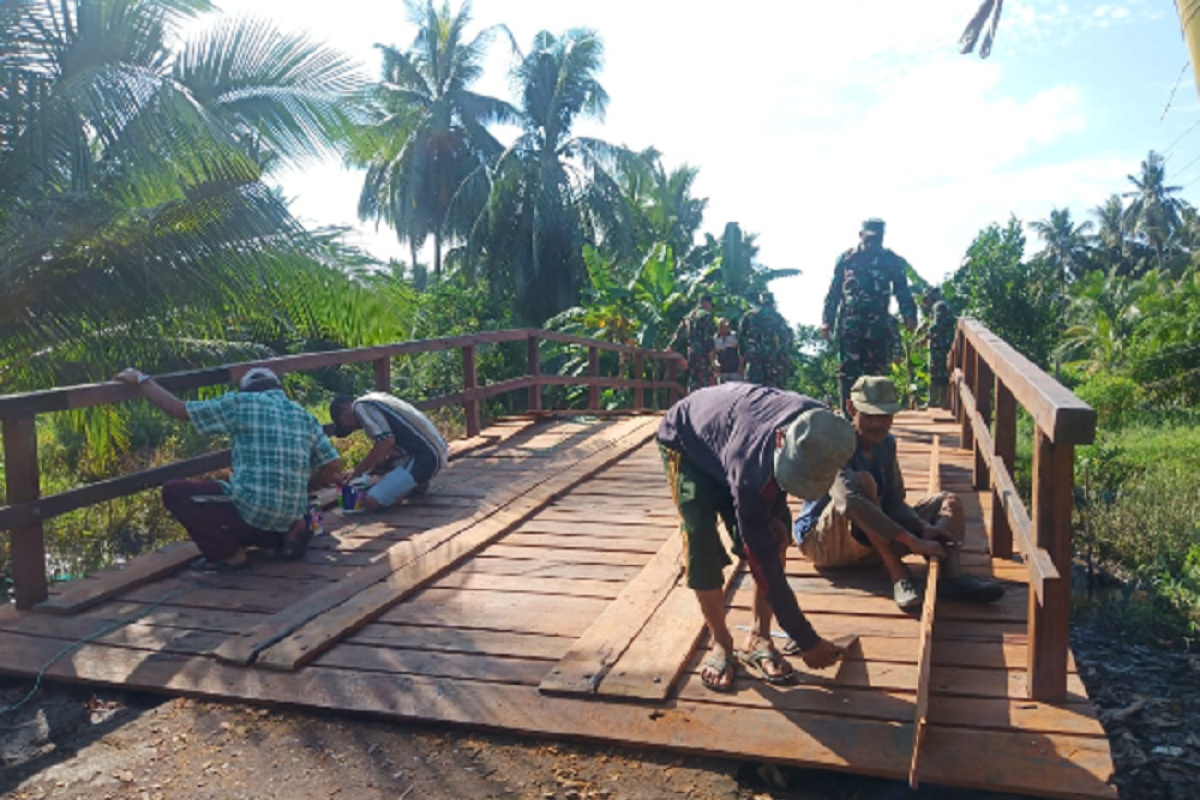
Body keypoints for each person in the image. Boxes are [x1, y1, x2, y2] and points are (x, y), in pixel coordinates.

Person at [657, 382, 857, 692]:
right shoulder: (751, 464)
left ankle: (759, 637)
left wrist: (775, 514)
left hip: (737, 440)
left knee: (778, 535)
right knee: (700, 540)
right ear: (781, 441)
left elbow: (777, 479)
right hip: (689, 443)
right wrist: (806, 639)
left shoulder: (820, 427)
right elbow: (761, 560)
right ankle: (721, 642)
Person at [793, 376, 1005, 611]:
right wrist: (911, 539)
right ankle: (898, 575)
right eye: (870, 415)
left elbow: (894, 502)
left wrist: (921, 526)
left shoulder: (886, 443)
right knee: (863, 484)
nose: (878, 424)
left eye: (885, 416)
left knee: (950, 502)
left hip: (866, 542)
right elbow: (850, 502)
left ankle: (951, 576)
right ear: (851, 408)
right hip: (824, 544)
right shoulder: (834, 444)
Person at [114, 366, 342, 571]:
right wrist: (306, 488)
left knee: (174, 492)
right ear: (277, 388)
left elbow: (179, 410)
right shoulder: (303, 415)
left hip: (251, 513)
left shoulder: (240, 404)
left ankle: (230, 555)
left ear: (246, 389)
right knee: (282, 510)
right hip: (285, 519)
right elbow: (332, 465)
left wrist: (143, 380)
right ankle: (292, 532)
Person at [821, 218, 918, 411]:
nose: (873, 243)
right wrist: (827, 321)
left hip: (877, 327)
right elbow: (834, 293)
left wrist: (909, 313)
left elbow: (902, 289)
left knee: (875, 373)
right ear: (861, 235)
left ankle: (873, 419)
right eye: (870, 238)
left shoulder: (891, 260)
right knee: (848, 372)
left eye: (878, 239)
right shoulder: (847, 259)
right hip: (850, 326)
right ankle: (848, 421)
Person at [329, 391, 450, 511]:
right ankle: (416, 484)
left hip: (425, 456)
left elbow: (386, 442)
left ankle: (406, 488)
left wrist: (358, 472)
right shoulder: (375, 398)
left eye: (345, 423)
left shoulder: (360, 406)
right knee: (383, 474)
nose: (352, 427)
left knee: (372, 501)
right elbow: (394, 443)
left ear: (344, 408)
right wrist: (380, 465)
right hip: (436, 449)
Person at [740, 293, 794, 389]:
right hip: (771, 357)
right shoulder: (776, 317)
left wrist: (744, 354)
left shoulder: (749, 316)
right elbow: (787, 337)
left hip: (754, 356)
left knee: (753, 388)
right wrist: (781, 354)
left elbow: (741, 336)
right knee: (771, 389)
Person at [670, 294, 716, 392]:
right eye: (710, 305)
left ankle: (692, 405)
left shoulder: (689, 316)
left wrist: (670, 348)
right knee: (705, 385)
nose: (711, 308)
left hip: (691, 354)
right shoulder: (706, 316)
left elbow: (678, 335)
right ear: (706, 303)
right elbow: (708, 340)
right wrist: (713, 361)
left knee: (693, 382)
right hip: (703, 356)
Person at [923, 288, 957, 409]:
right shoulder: (945, 305)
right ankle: (942, 402)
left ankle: (933, 402)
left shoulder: (939, 306)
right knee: (943, 374)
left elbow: (937, 326)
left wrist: (925, 337)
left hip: (940, 346)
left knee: (936, 374)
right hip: (945, 345)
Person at [713, 317, 742, 383]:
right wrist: (715, 364)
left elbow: (741, 352)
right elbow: (714, 354)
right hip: (722, 372)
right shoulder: (715, 339)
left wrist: (741, 367)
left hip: (735, 370)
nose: (724, 329)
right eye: (721, 327)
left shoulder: (735, 336)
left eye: (725, 326)